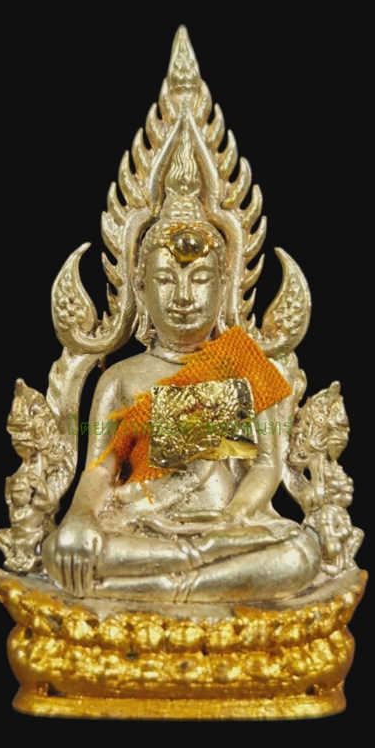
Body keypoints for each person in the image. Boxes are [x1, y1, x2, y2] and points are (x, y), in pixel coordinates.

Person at [42, 213, 321, 602]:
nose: (184, 297)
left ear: (224, 285)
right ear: (141, 289)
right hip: (142, 524)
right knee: (58, 550)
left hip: (227, 527)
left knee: (300, 554)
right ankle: (193, 578)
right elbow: (101, 469)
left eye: (201, 279)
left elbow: (266, 465)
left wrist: (231, 520)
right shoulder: (120, 379)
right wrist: (79, 518)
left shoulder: (243, 363)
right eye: (165, 280)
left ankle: (158, 585)